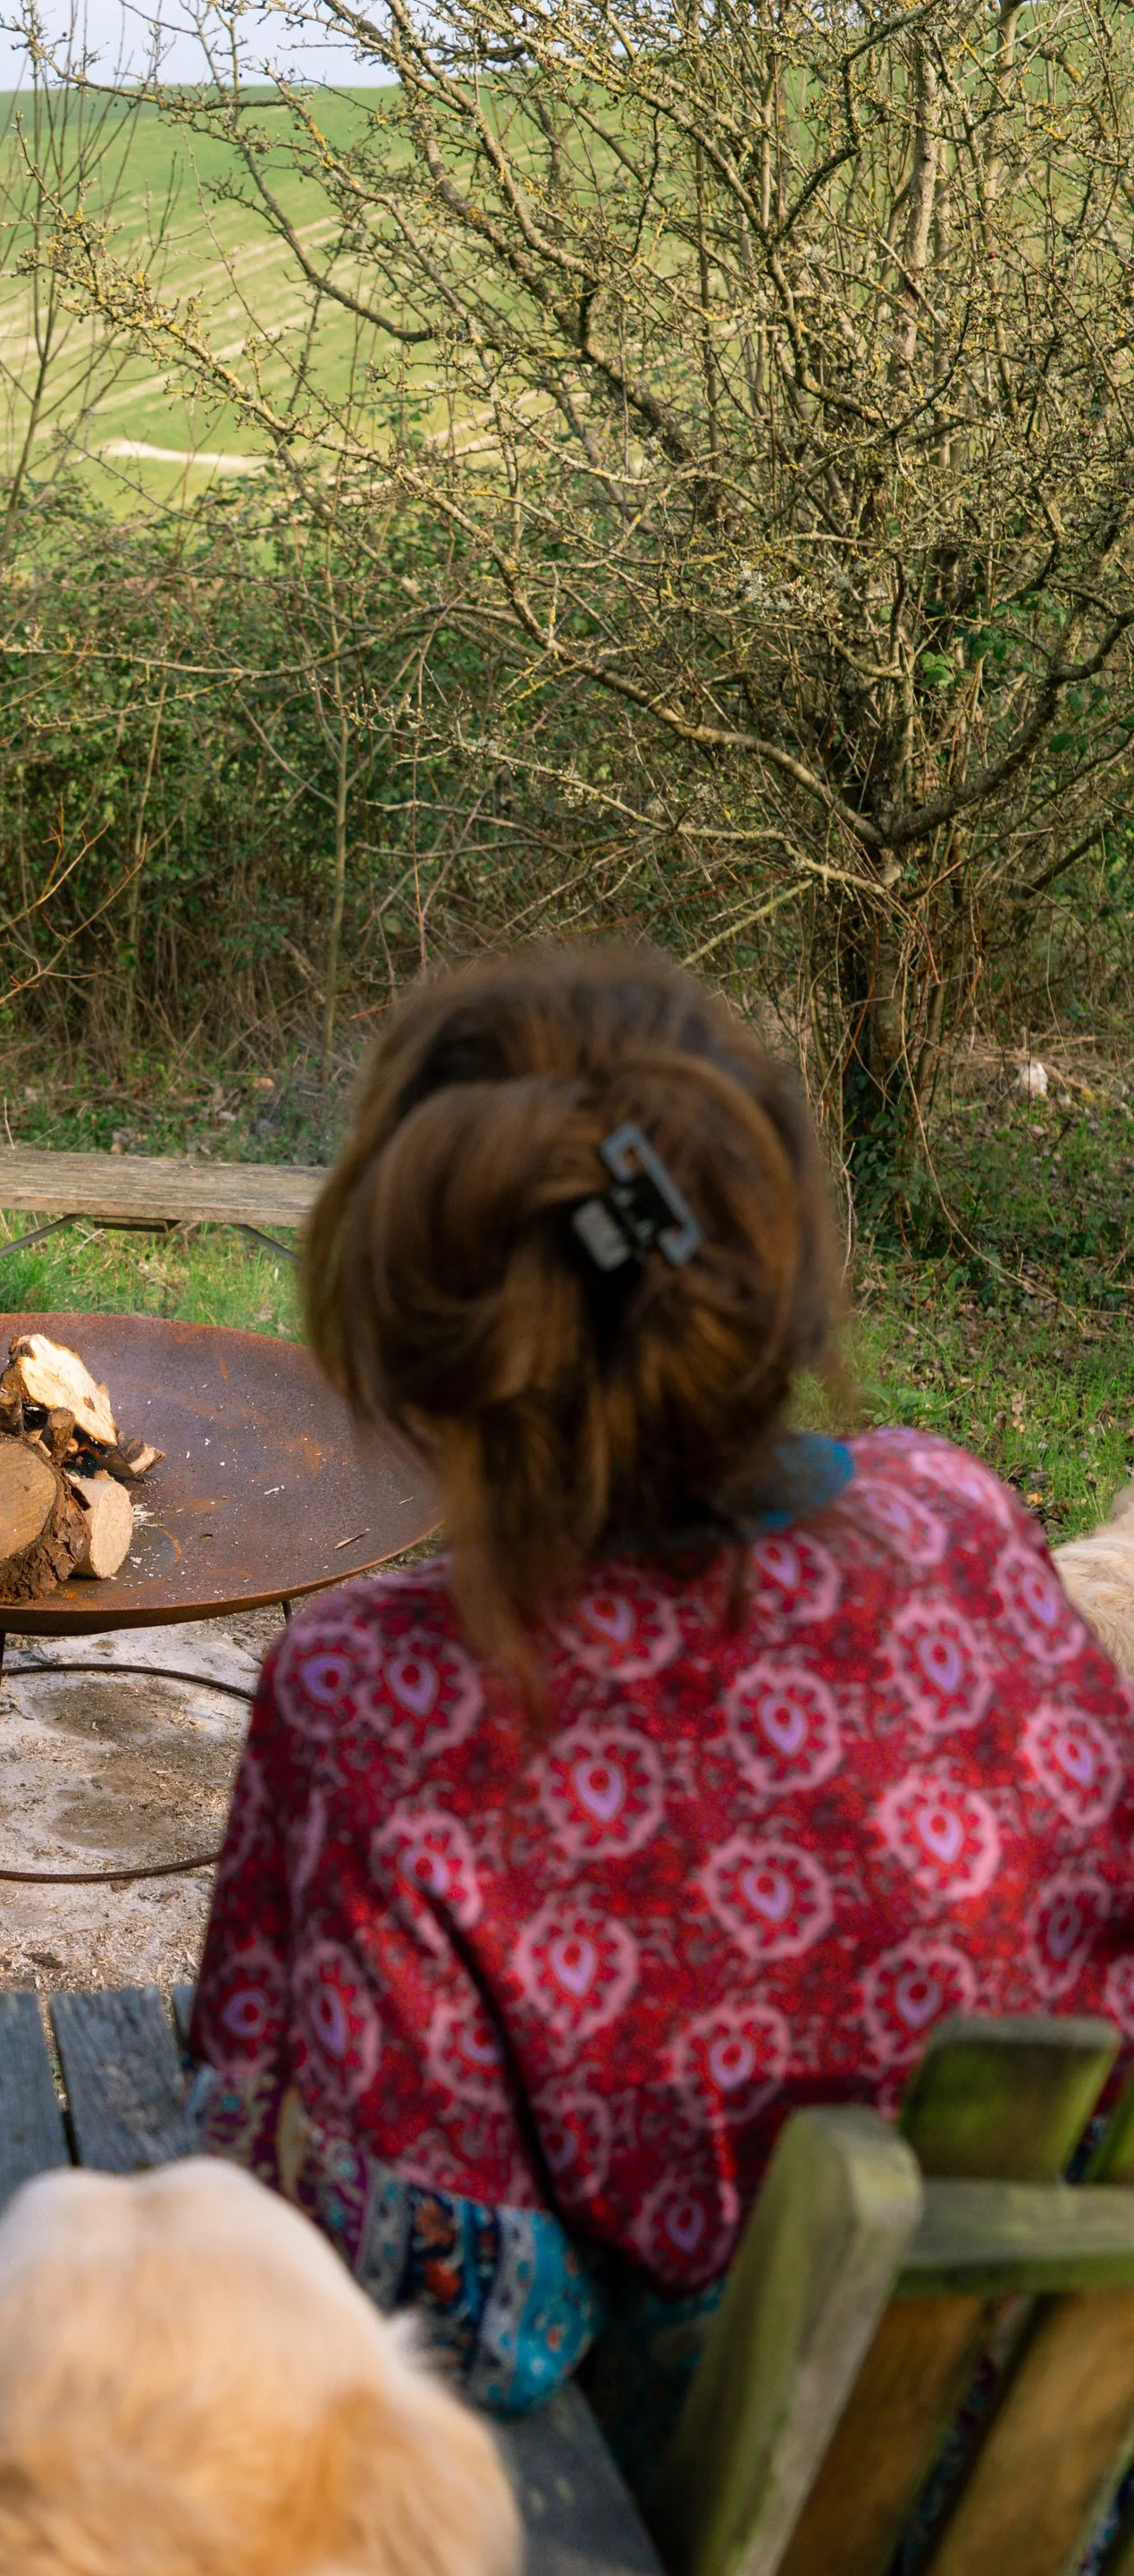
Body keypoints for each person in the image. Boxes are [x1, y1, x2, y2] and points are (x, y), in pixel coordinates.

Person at [189, 943, 1134, 2444]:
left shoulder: (381, 1701)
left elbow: (469, 2330)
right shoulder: (955, 1517)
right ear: (777, 1275)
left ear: (423, 1337)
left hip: (730, 2538)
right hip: (1068, 2480)